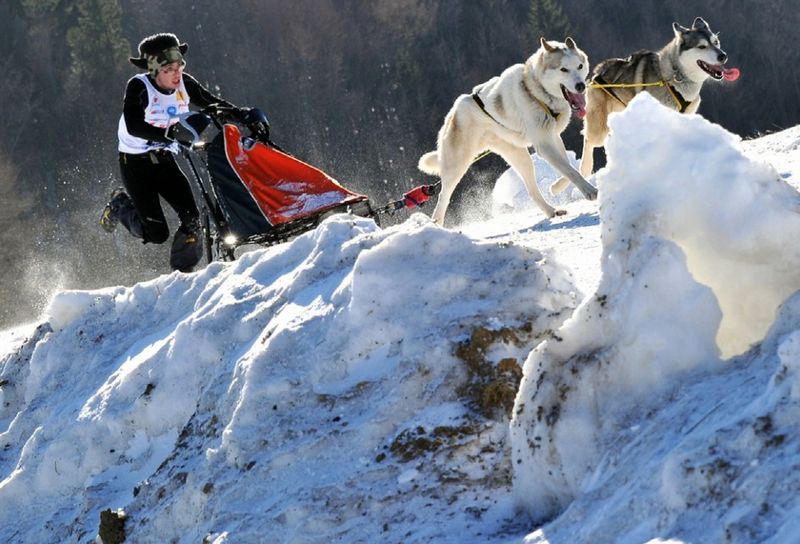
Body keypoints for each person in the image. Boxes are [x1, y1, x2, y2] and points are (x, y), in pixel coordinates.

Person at [101, 32, 244, 272]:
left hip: (165, 159)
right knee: (156, 234)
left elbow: (213, 104)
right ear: (154, 71)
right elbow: (134, 125)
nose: (177, 73)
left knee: (193, 220)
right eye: (169, 69)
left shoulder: (184, 84)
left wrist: (242, 115)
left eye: (179, 66)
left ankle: (184, 274)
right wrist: (169, 136)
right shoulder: (139, 86)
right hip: (135, 164)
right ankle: (120, 205)